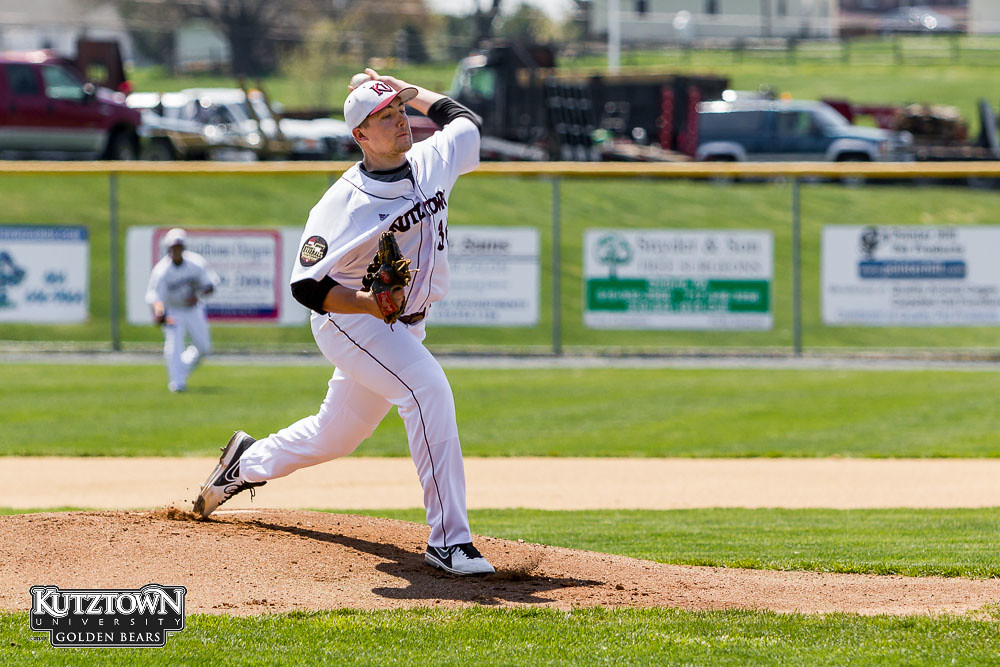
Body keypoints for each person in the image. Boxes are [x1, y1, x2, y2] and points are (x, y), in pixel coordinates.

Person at [192, 69, 495, 576]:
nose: (402, 121)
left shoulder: (432, 159)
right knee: (428, 390)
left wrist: (406, 87)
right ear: (360, 135)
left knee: (335, 436)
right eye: (386, 116)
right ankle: (449, 541)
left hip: (404, 325)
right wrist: (368, 302)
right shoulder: (343, 203)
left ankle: (243, 464)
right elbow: (306, 287)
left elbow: (463, 120)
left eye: (401, 111)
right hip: (351, 325)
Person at [145, 228, 218, 393]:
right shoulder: (162, 270)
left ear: (184, 247)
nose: (176, 250)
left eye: (179, 247)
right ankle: (177, 383)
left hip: (193, 309)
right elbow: (155, 297)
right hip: (173, 310)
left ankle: (181, 368)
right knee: (174, 346)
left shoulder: (195, 263)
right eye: (173, 247)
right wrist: (160, 313)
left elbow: (210, 284)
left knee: (204, 347)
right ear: (168, 248)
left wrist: (198, 294)